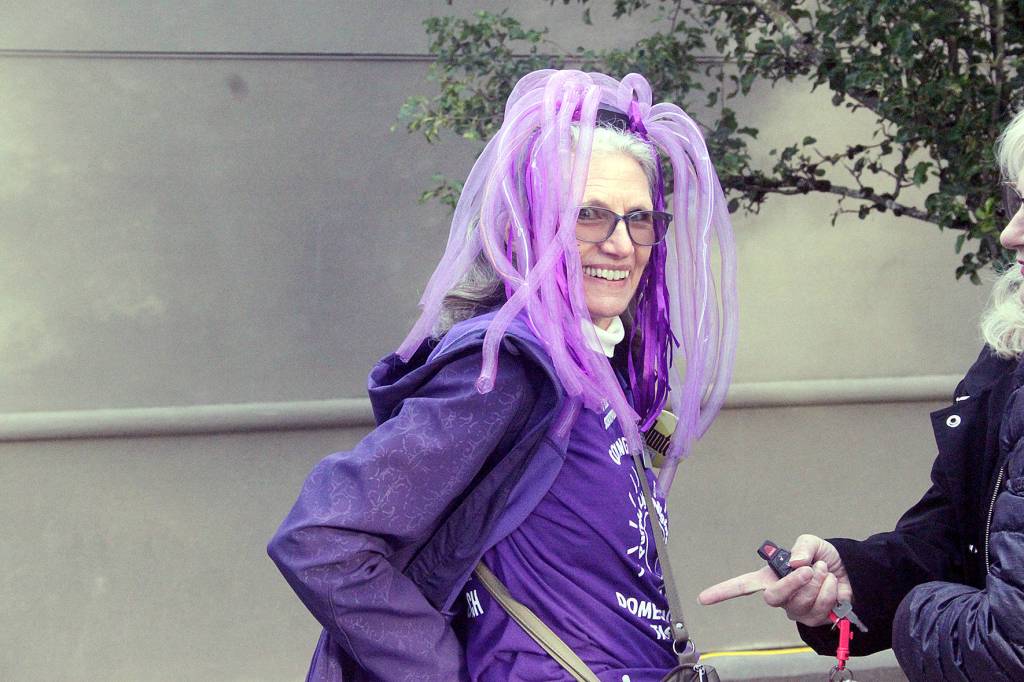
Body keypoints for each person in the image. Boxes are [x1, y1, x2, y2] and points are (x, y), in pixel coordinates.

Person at [267, 69, 738, 681]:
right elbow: (322, 538)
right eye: (590, 215)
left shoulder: (595, 366)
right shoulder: (508, 369)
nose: (621, 244)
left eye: (640, 218)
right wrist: (438, 670)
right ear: (534, 226)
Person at [698, 109, 1024, 681]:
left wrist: (916, 614)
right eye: (1016, 202)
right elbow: (956, 538)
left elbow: (1007, 646)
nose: (1010, 233)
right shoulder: (1010, 354)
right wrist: (855, 577)